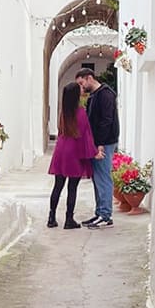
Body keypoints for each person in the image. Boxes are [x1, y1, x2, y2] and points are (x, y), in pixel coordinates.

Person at [48, 82, 100, 229]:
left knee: (58, 186)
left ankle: (51, 217)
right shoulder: (81, 112)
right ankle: (68, 219)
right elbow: (86, 135)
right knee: (72, 187)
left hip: (61, 150)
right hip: (74, 151)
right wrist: (94, 152)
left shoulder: (63, 112)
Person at [75, 67, 120, 228]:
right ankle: (99, 212)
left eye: (82, 83)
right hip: (97, 142)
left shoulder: (105, 94)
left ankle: (106, 216)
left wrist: (100, 144)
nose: (81, 87)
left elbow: (106, 121)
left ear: (89, 78)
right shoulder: (94, 95)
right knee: (98, 179)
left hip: (105, 143)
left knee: (103, 178)